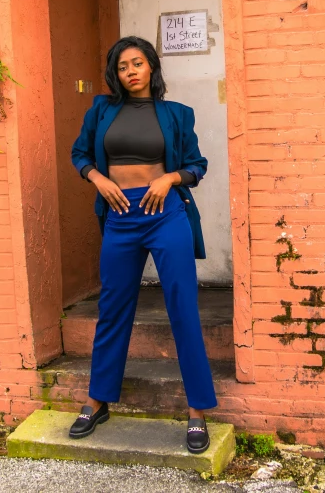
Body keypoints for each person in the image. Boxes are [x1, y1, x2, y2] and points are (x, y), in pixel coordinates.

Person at [69, 35, 218, 453]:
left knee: (182, 305)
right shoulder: (101, 110)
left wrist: (169, 178)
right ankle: (97, 400)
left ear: (151, 67)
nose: (130, 71)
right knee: (113, 307)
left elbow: (196, 166)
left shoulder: (175, 114)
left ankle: (197, 410)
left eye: (137, 63)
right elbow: (81, 155)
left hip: (165, 213)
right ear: (115, 74)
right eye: (122, 66)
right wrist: (98, 179)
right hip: (120, 215)